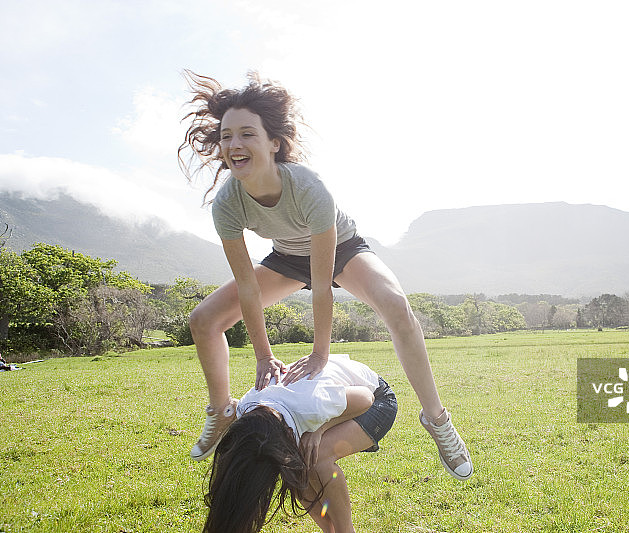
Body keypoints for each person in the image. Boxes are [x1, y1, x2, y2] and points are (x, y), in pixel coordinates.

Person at [179, 70, 472, 481]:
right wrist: (263, 355)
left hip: (342, 250)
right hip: (286, 257)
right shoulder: (227, 203)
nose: (234, 144)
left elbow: (322, 286)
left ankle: (437, 420)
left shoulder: (309, 188)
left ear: (274, 143)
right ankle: (222, 409)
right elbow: (247, 286)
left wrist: (320, 353)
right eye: (227, 136)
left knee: (398, 309)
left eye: (247, 133)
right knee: (204, 321)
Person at [203, 353, 395, 533]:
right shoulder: (247, 412)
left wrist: (319, 429)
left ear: (287, 431)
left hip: (376, 398)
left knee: (316, 457)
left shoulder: (311, 405)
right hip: (327, 398)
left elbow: (365, 398)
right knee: (295, 465)